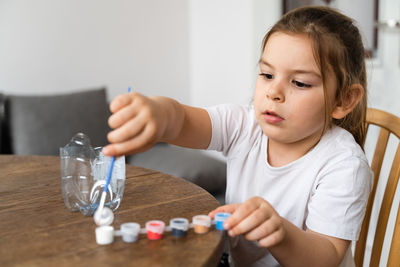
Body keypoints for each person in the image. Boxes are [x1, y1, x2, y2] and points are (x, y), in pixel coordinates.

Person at [102, 6, 372, 267]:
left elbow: (324, 257)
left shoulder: (343, 164)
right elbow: (183, 121)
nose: (273, 92)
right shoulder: (245, 125)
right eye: (267, 74)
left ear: (344, 100)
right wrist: (159, 114)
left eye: (299, 82)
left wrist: (281, 232)